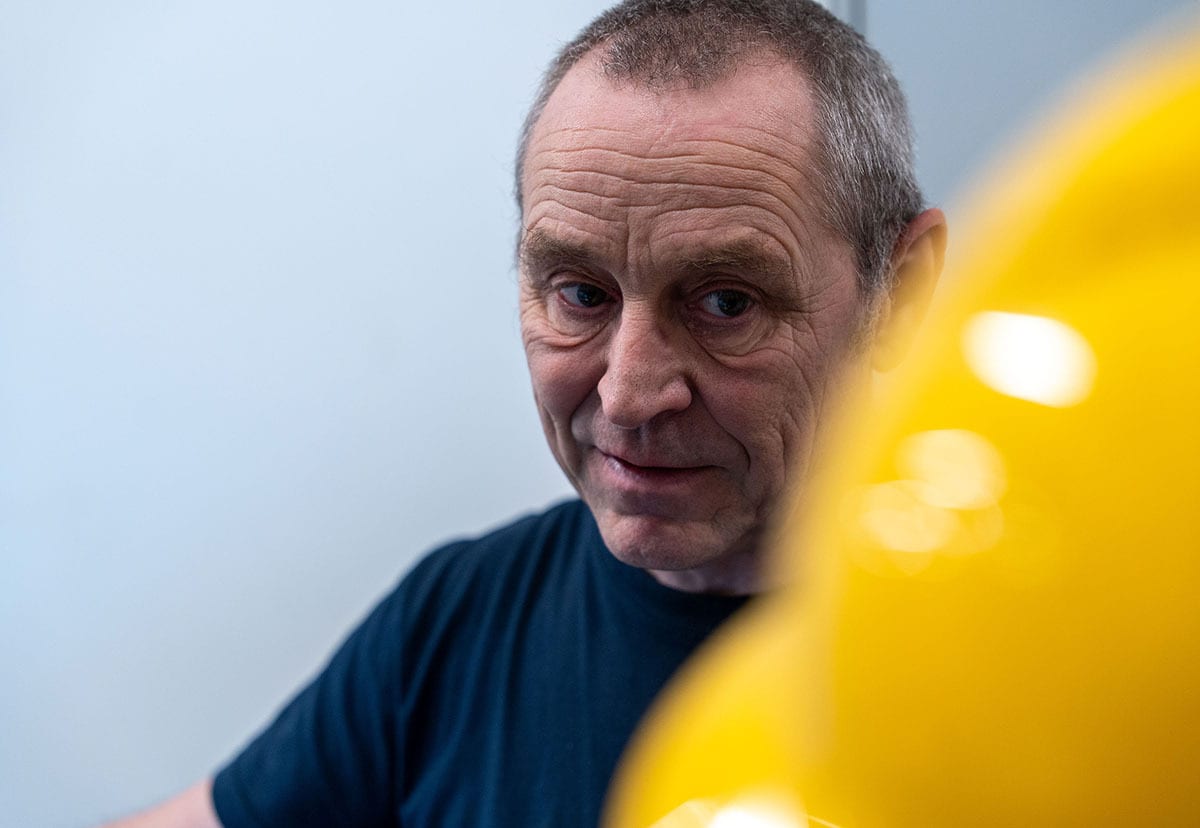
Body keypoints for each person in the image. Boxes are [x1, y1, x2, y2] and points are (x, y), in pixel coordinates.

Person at [106, 1, 945, 825]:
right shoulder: (460, 619)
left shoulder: (1018, 658)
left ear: (900, 296)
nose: (626, 394)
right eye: (580, 294)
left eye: (726, 302)